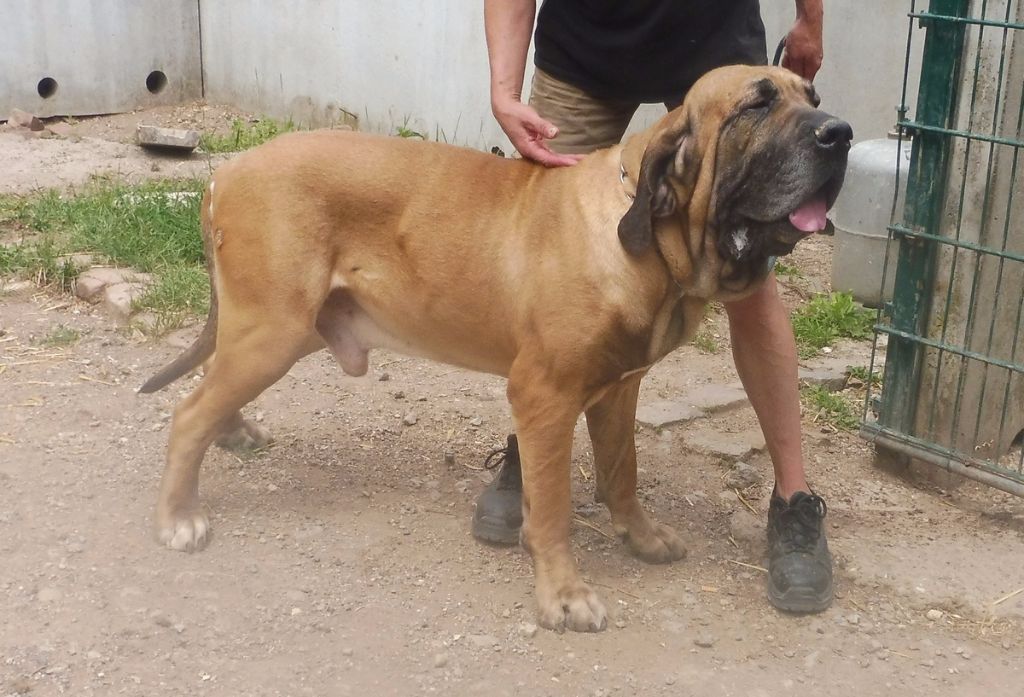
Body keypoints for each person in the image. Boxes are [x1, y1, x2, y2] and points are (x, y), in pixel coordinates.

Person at [472, 0, 834, 614]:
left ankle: (792, 498)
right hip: (586, 43)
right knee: (544, 254)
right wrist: (504, 89)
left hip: (712, 35)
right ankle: (533, 461)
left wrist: (810, 18)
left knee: (750, 285)